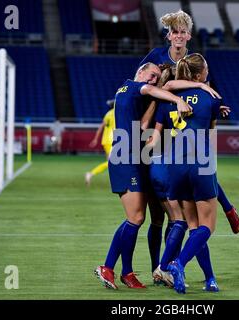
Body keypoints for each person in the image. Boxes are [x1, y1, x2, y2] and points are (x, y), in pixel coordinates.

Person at [94, 62, 192, 290]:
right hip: (125, 157)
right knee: (136, 218)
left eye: (157, 77)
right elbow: (149, 93)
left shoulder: (135, 95)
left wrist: (159, 98)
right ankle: (108, 267)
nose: (153, 79)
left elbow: (143, 124)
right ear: (140, 71)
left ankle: (126, 272)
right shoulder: (130, 87)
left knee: (137, 218)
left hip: (132, 157)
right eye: (151, 75)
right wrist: (176, 99)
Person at [147, 53, 221, 294]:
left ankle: (206, 277)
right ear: (199, 74)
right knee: (206, 227)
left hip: (175, 165)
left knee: (192, 225)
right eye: (206, 69)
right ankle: (177, 264)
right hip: (200, 162)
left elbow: (167, 87)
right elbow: (211, 135)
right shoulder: (210, 97)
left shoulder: (169, 97)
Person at [85, 99, 115, 186]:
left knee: (111, 164)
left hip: (106, 140)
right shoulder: (117, 113)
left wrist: (95, 139)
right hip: (112, 140)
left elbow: (101, 127)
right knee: (112, 162)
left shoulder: (108, 114)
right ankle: (91, 173)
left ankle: (113, 181)